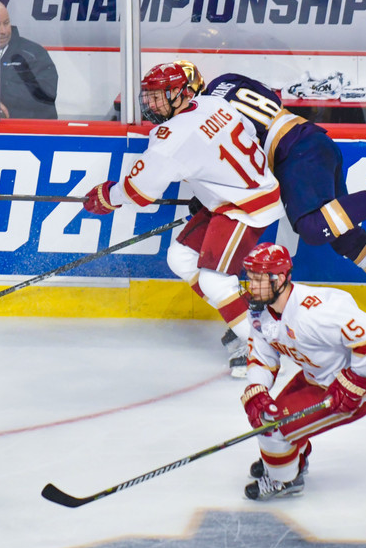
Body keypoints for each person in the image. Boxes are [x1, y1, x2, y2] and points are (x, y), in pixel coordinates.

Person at [174, 61, 366, 335]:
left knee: (313, 228)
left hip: (293, 155)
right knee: (342, 234)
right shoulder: (227, 80)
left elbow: (236, 162)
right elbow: (270, 101)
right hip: (311, 139)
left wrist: (208, 197)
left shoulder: (206, 116)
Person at [81, 62, 286, 377]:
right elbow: (244, 136)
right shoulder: (213, 103)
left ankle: (262, 350)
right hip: (233, 198)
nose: (150, 104)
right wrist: (213, 183)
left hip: (246, 205)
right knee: (180, 257)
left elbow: (139, 192)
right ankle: (246, 319)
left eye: (157, 96)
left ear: (181, 93)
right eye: (148, 96)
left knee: (214, 281)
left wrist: (108, 196)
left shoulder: (171, 138)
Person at [238, 243, 366, 500]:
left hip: (358, 386)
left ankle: (285, 480)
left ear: (281, 279)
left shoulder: (314, 313)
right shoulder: (261, 314)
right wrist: (257, 388)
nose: (252, 286)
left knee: (272, 429)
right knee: (269, 415)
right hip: (317, 376)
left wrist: (355, 382)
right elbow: (262, 358)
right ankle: (290, 458)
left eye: (259, 280)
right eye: (250, 278)